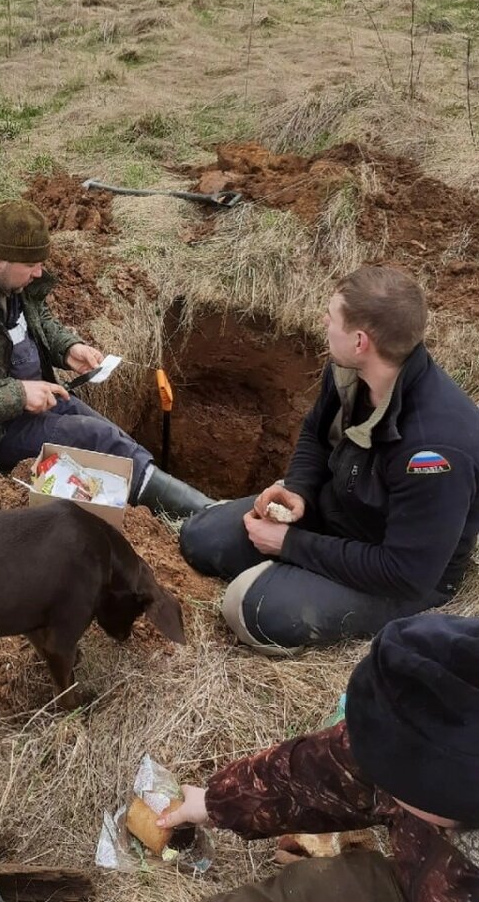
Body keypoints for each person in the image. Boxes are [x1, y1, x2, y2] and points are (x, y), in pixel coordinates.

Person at [180, 265, 479, 652]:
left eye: (331, 315)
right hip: (342, 512)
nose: (323, 320)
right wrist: (299, 491)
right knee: (199, 537)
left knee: (250, 610)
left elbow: (405, 572)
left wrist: (290, 545)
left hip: (401, 572)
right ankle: (289, 570)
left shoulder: (434, 449)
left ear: (360, 341)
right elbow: (315, 435)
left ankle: (285, 579)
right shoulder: (350, 372)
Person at [0, 199, 212, 515]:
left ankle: (187, 509)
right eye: (31, 265)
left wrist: (67, 348)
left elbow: (36, 318)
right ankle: (198, 517)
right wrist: (17, 395)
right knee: (94, 439)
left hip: (25, 398)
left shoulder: (10, 279)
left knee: (111, 437)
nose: (39, 272)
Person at [156, 613, 479, 901]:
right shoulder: (443, 741)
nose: (372, 772)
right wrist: (220, 802)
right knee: (315, 886)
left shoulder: (447, 767)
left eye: (391, 777)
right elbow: (332, 767)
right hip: (417, 880)